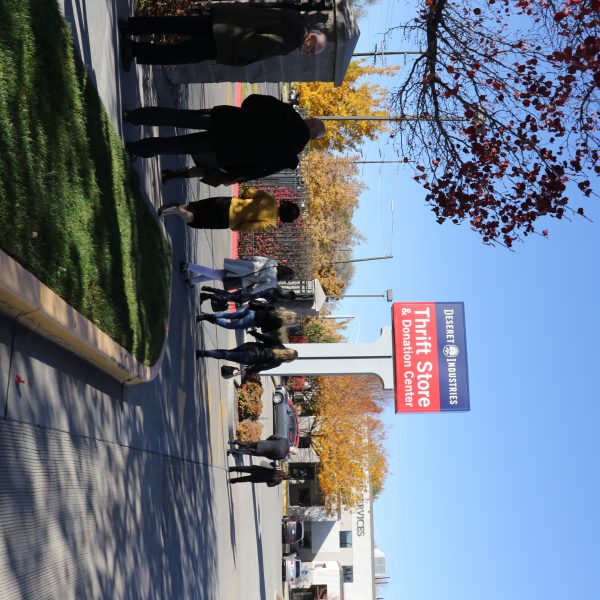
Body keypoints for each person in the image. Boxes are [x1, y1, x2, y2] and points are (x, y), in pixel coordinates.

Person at [124, 94, 326, 186]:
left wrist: (247, 113)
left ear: (310, 125)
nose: (308, 117)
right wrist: (234, 174)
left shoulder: (289, 115)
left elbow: (257, 101)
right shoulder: (289, 155)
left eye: (311, 119)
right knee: (180, 146)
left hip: (228, 120)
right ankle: (138, 148)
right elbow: (259, 169)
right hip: (228, 149)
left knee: (180, 117)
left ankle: (135, 116)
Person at [119, 6, 327, 71]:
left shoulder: (294, 17)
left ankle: (132, 26)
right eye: (312, 49)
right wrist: (238, 59)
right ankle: (133, 49)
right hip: (227, 44)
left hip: (225, 21)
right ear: (310, 38)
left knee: (177, 24)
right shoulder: (290, 41)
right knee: (178, 54)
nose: (308, 53)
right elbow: (261, 44)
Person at [158, 187, 300, 231]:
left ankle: (169, 211)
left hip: (229, 202)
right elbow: (251, 226)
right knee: (196, 221)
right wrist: (237, 228)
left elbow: (251, 191)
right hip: (228, 219)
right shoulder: (271, 223)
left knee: (197, 206)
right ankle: (176, 209)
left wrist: (243, 198)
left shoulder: (271, 200)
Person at [195, 331, 298, 374]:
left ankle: (204, 353)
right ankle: (202, 353)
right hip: (249, 358)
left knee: (228, 353)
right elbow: (262, 367)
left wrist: (254, 333)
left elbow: (264, 338)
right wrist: (249, 371)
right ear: (289, 359)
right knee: (226, 355)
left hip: (249, 346)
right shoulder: (277, 362)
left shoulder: (278, 345)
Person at [181, 256, 294, 293]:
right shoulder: (273, 281)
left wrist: (244, 260)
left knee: (216, 274)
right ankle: (188, 266)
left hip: (242, 267)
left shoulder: (273, 262)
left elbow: (255, 258)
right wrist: (250, 291)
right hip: (242, 279)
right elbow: (259, 288)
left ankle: (192, 281)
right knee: (215, 274)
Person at [197, 305, 298, 335]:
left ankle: (208, 315)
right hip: (251, 321)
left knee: (228, 315)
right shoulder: (278, 323)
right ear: (289, 322)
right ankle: (207, 318)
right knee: (229, 326)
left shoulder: (278, 309)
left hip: (251, 312)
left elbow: (264, 306)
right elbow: (264, 330)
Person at [199, 285, 297, 311]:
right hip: (248, 297)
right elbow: (262, 303)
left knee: (227, 295)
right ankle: (206, 295)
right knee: (226, 297)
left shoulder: (276, 286)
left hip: (248, 290)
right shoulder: (275, 299)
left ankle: (209, 289)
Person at [228, 435, 299, 460]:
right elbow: (272, 458)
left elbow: (274, 436)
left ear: (292, 447)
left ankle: (234, 441)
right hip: (262, 452)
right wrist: (266, 454)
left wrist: (267, 440)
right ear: (291, 453)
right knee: (247, 452)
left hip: (263, 443)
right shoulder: (283, 456)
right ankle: (231, 451)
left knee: (247, 444)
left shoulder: (285, 440)